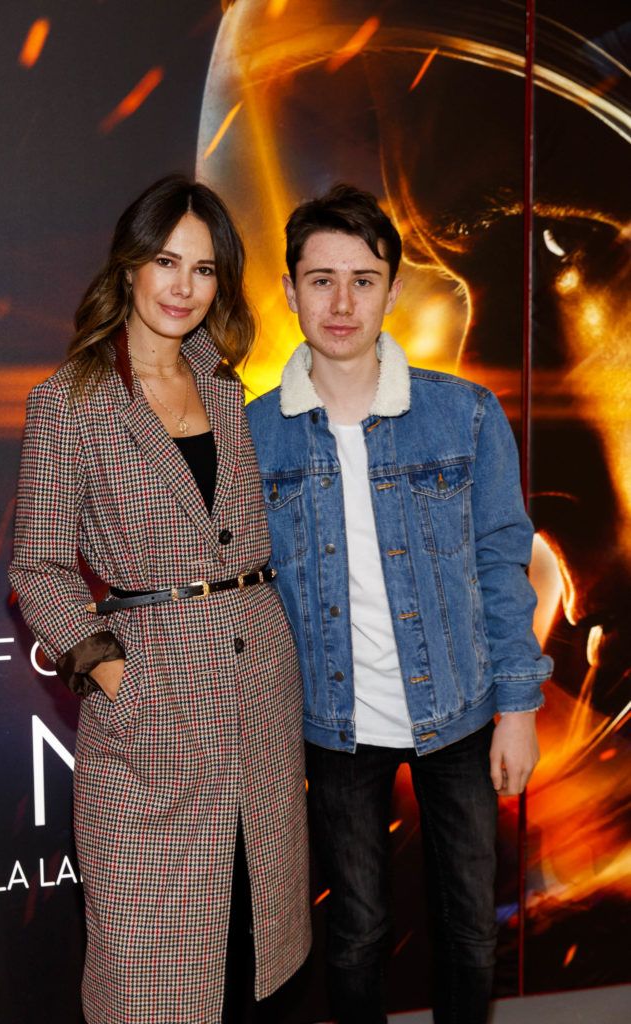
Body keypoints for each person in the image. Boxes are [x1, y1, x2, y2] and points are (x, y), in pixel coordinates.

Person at [246, 184, 552, 1024]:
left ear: (390, 287)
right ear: (288, 290)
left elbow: (499, 564)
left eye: (362, 279)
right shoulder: (254, 435)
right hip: (331, 725)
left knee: (465, 930)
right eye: (320, 279)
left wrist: (518, 707)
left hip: (457, 710)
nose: (341, 302)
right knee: (353, 933)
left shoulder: (463, 414)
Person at [8, 174, 310, 1024]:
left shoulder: (227, 389)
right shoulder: (71, 401)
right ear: (129, 268)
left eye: (205, 269)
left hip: (258, 699)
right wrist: (118, 682)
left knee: (259, 956)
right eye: (166, 261)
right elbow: (38, 569)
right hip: (151, 712)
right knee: (154, 978)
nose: (184, 286)